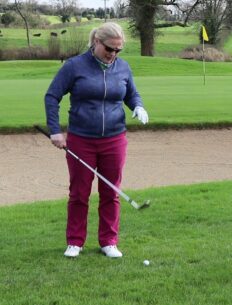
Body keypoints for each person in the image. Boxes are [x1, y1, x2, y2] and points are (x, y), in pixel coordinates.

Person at [44, 22, 149, 258]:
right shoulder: (75, 66)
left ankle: (108, 241)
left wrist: (138, 106)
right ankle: (75, 241)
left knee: (111, 192)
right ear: (96, 42)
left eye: (118, 50)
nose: (113, 54)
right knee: (79, 193)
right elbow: (52, 96)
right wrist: (55, 130)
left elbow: (131, 93)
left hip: (114, 139)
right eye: (109, 49)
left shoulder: (122, 67)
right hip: (82, 139)